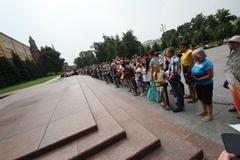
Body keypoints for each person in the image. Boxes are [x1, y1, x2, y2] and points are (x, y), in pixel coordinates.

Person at [191, 48, 214, 122]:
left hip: (206, 85)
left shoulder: (207, 63)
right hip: (198, 84)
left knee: (207, 100)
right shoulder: (197, 62)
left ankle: (210, 116)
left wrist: (198, 79)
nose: (193, 57)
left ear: (199, 56)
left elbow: (210, 75)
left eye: (194, 56)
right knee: (201, 98)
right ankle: (204, 111)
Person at [165, 47, 185, 112]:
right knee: (177, 91)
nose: (166, 54)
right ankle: (180, 103)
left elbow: (174, 72)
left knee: (178, 92)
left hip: (174, 78)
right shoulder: (173, 58)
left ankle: (180, 107)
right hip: (174, 77)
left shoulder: (174, 59)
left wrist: (169, 78)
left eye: (167, 52)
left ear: (170, 53)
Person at [226, 35, 240, 119]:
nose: (228, 44)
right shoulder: (233, 51)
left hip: (238, 77)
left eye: (230, 43)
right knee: (235, 93)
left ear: (236, 43)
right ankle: (236, 106)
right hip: (233, 77)